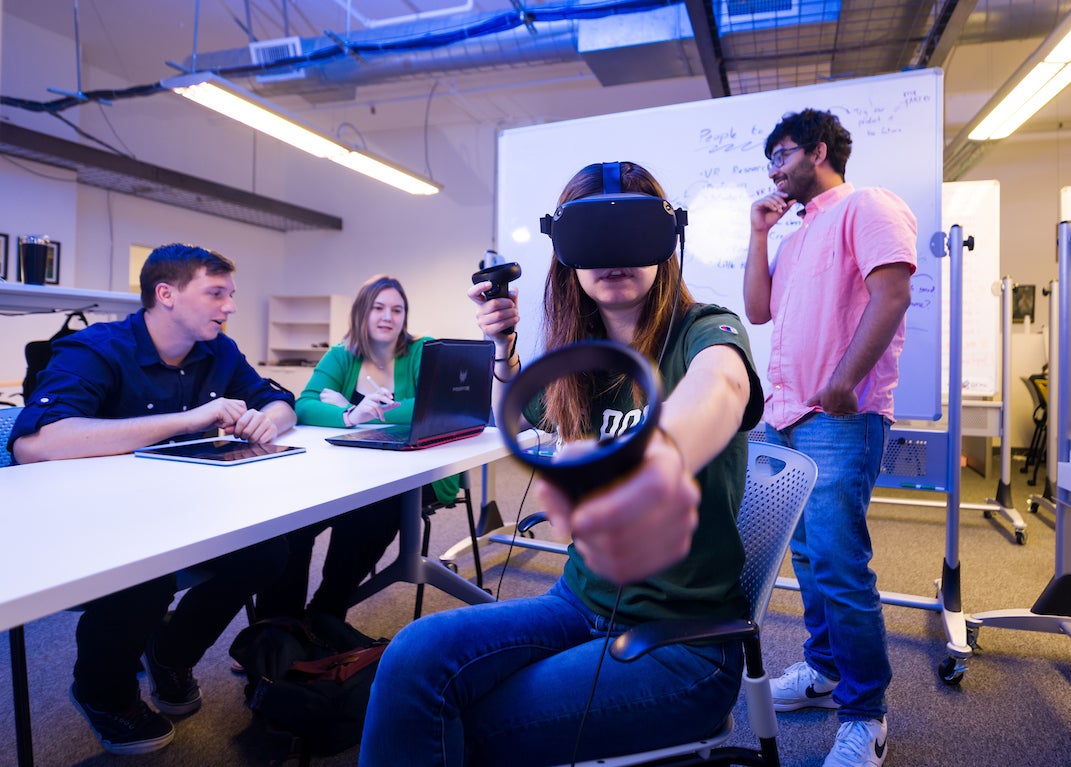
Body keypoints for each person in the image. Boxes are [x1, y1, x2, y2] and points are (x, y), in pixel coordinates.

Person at [358, 161, 765, 766]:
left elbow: (723, 388)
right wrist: (504, 350)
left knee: (462, 723)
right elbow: (515, 421)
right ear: (567, 254)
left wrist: (650, 461)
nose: (613, 255)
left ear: (666, 242)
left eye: (629, 233)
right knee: (415, 652)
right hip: (577, 603)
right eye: (592, 240)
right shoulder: (582, 361)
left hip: (680, 645)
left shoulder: (705, 330)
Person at [8, 243, 295, 755]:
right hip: (96, 524)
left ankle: (170, 651)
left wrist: (266, 419)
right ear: (166, 294)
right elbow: (35, 444)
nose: (229, 306)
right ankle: (101, 692)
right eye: (215, 293)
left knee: (270, 549)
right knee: (143, 571)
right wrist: (187, 420)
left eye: (230, 294)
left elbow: (279, 401)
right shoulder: (96, 349)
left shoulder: (219, 350)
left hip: (186, 512)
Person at [742, 109, 917, 767]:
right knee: (811, 558)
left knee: (841, 563)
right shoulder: (792, 238)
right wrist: (757, 231)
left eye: (781, 154)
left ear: (818, 151)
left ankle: (867, 712)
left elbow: (892, 292)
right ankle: (821, 671)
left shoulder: (865, 205)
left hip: (839, 417)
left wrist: (846, 381)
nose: (773, 170)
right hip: (786, 417)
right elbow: (758, 309)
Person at [254, 274, 459, 623]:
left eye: (397, 309)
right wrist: (350, 415)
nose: (388, 317)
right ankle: (274, 631)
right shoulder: (342, 354)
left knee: (372, 509)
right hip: (344, 471)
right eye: (378, 308)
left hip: (413, 471)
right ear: (361, 313)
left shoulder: (423, 349)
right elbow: (303, 405)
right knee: (293, 519)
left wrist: (362, 410)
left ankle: (325, 611)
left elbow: (436, 406)